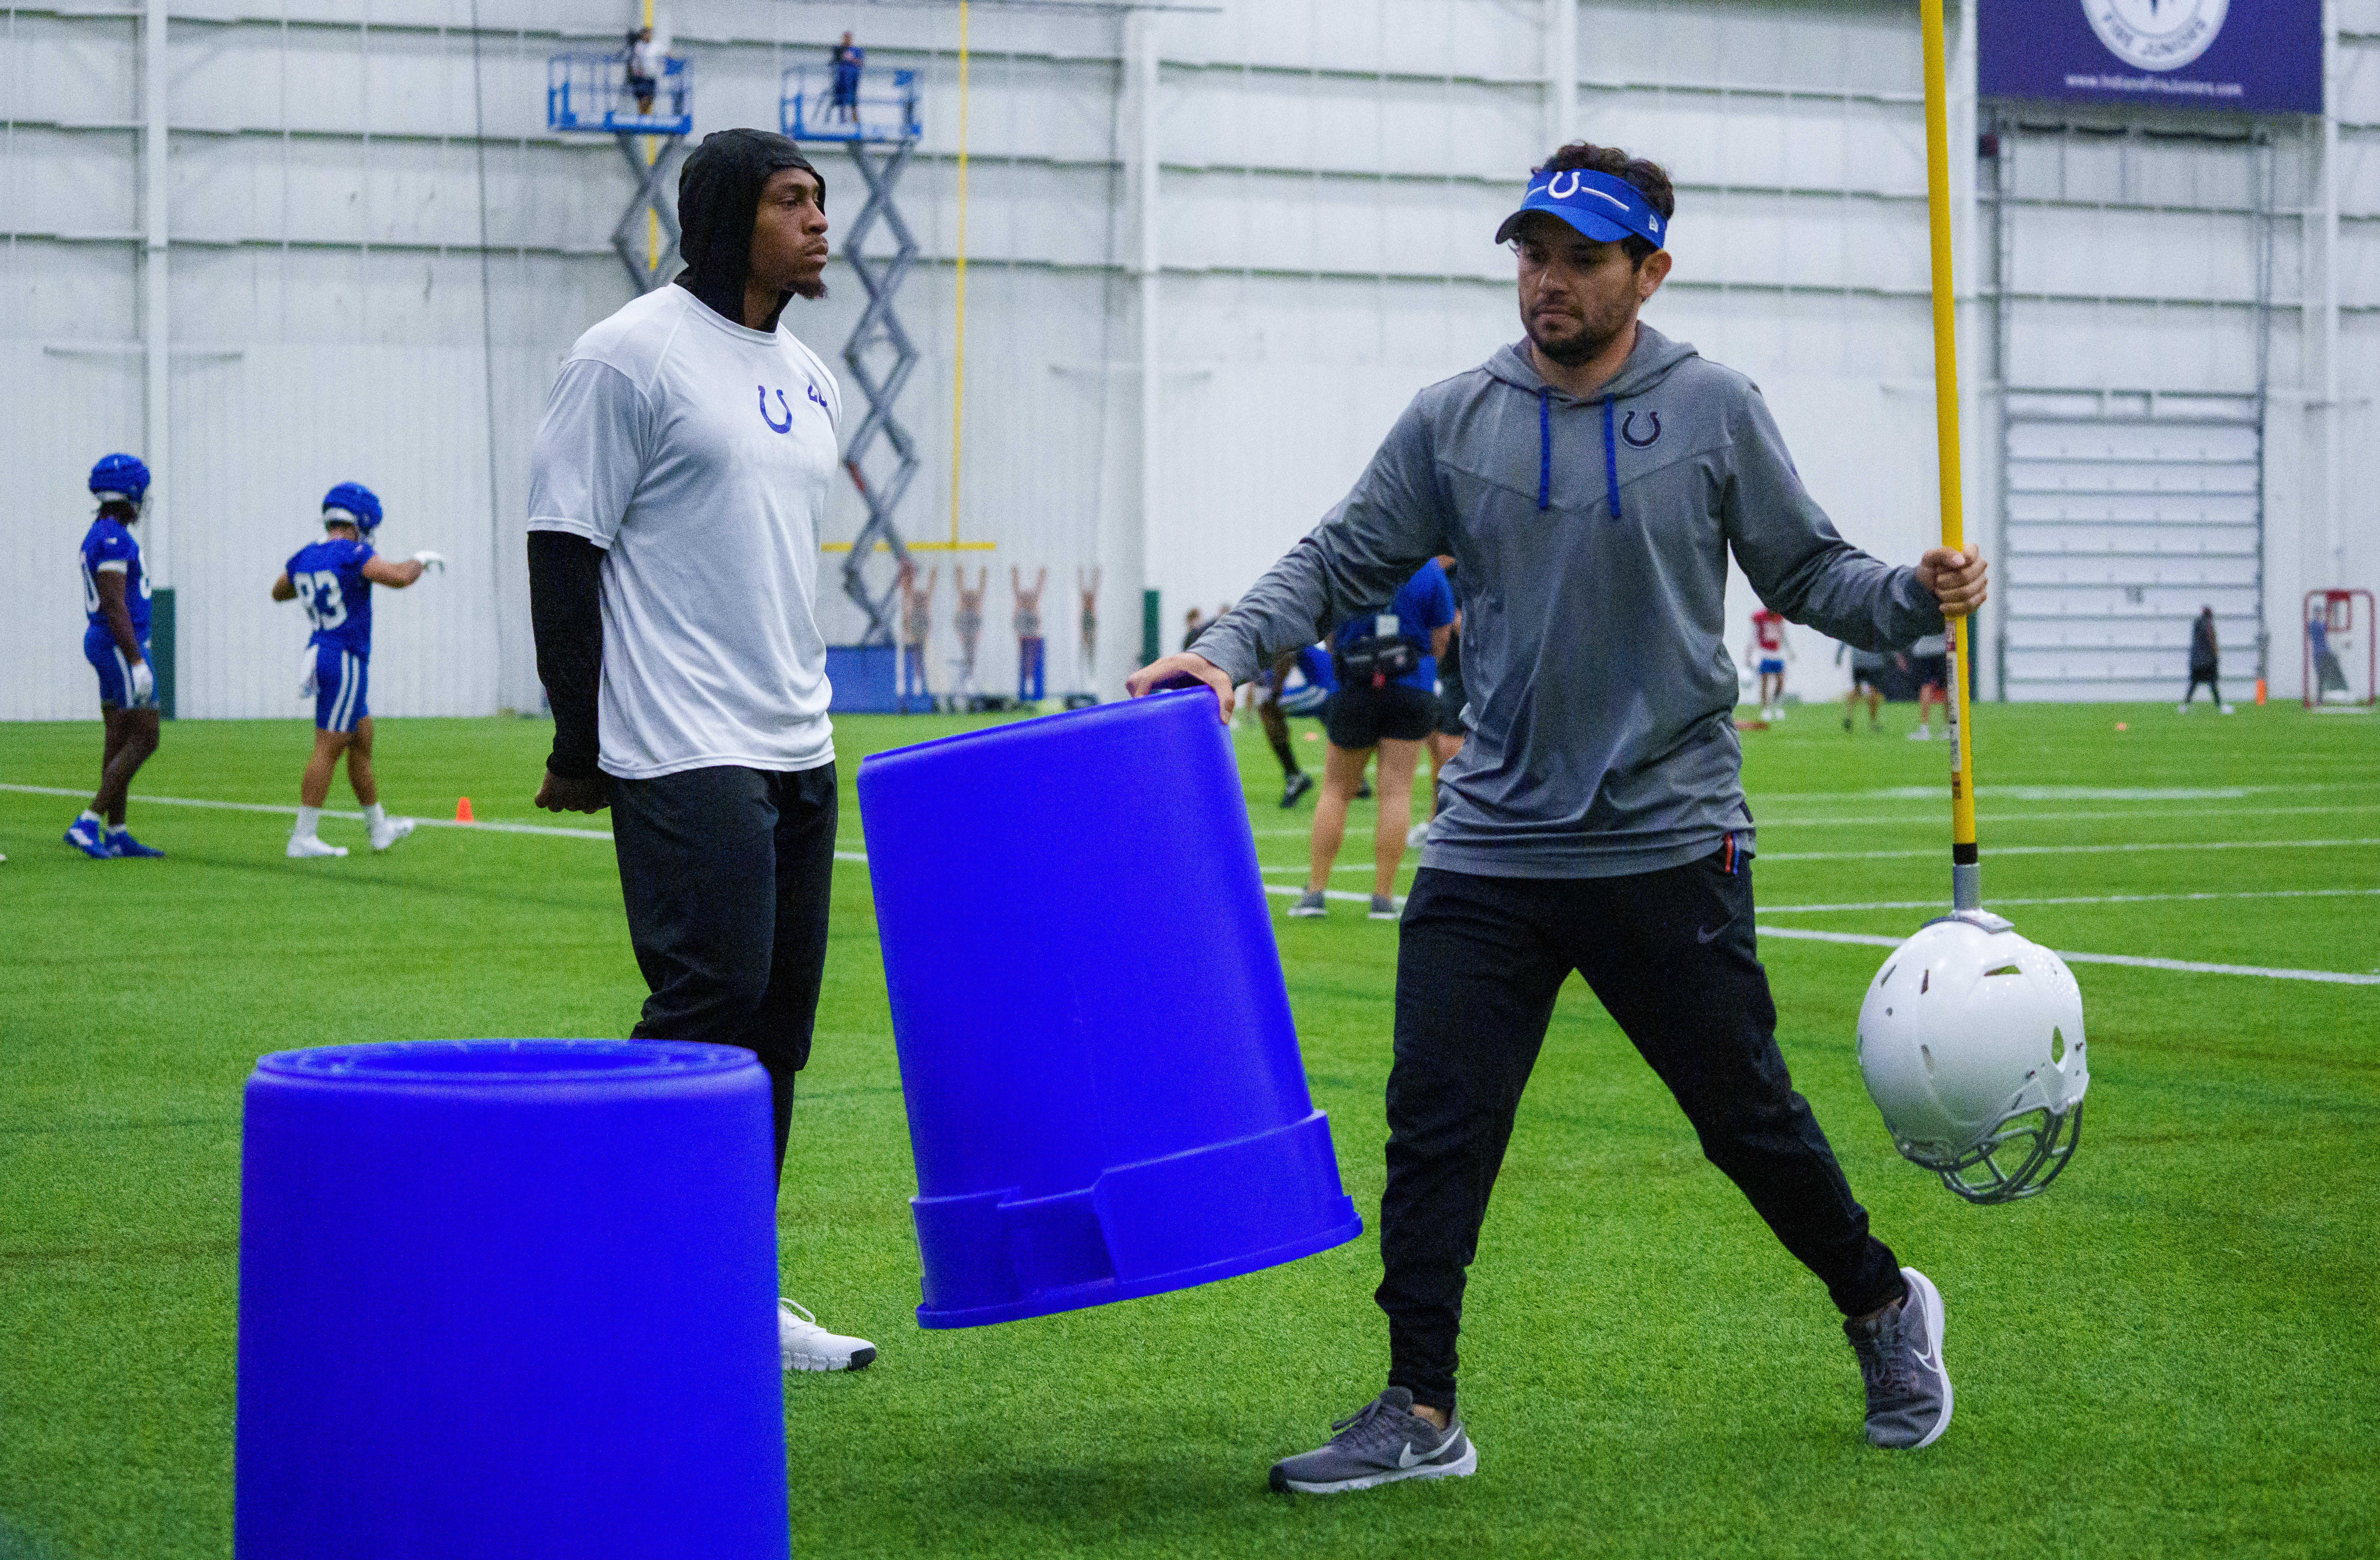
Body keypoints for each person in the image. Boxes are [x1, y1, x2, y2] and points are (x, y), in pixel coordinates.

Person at [1129, 141, 1987, 1492]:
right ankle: (1418, 1408)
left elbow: (1806, 567)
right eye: (1530, 255)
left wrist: (1910, 592)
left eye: (1581, 259)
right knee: (1435, 1126)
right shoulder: (1449, 418)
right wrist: (1226, 649)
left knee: (1743, 1115)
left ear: (1648, 270)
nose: (1547, 283)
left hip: (1664, 834)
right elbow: (1336, 556)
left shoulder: (1712, 407)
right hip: (1488, 844)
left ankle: (1880, 1305)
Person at [525, 127, 875, 1376]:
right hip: (680, 740)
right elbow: (565, 545)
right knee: (708, 1002)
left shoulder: (815, 378)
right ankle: (601, 1258)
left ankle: (726, 1285)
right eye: (793, 200)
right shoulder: (630, 356)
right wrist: (581, 737)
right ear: (730, 215)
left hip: (798, 739)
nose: (819, 220)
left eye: (823, 200)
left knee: (777, 1031)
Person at [270, 483, 444, 858]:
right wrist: (421, 559)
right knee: (328, 746)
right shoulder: (353, 552)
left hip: (323, 651)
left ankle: (378, 828)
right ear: (359, 521)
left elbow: (279, 591)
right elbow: (398, 576)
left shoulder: (306, 555)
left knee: (361, 740)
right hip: (344, 655)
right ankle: (303, 835)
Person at [1285, 559, 1454, 923]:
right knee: (1396, 793)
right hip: (1412, 686)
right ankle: (1383, 898)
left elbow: (1328, 634)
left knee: (1336, 791)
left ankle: (1315, 893)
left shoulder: (1351, 560)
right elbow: (1441, 638)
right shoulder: (1429, 571)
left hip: (1355, 685)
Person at [65, 453, 166, 860]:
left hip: (107, 641)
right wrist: (137, 659)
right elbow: (114, 603)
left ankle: (117, 830)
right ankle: (88, 822)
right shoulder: (113, 537)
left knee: (120, 734)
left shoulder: (103, 532)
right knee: (147, 734)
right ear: (129, 493)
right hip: (118, 642)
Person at [1410, 555, 1467, 848]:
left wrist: (1449, 616)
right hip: (1443, 677)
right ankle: (1437, 819)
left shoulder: (1464, 576)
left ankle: (1448, 823)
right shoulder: (1430, 576)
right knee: (1435, 745)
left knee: (1449, 750)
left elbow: (1471, 627)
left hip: (1466, 676)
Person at [1254, 645, 1333, 808]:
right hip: (1332, 685)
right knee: (1341, 726)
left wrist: (1276, 691)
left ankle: (1294, 776)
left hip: (1322, 689)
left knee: (1268, 708)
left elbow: (1289, 652)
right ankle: (1359, 780)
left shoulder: (1283, 627)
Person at [2179, 605, 2232, 714]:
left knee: (2194, 684)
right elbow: (2211, 640)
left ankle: (2185, 706)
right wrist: (2215, 655)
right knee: (2213, 684)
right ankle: (2221, 707)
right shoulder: (2208, 625)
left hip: (2196, 661)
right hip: (2207, 661)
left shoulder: (2197, 624)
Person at [899, 560, 936, 712]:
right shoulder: (910, 603)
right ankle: (910, 695)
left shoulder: (923, 605)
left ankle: (918, 690)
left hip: (919, 637)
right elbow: (908, 591)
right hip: (911, 637)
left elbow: (929, 589)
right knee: (912, 663)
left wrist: (934, 571)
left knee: (919, 663)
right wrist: (908, 573)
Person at [1744, 605, 1793, 720]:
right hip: (1764, 652)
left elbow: (1783, 635)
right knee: (1765, 682)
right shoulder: (1760, 617)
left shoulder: (1780, 617)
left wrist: (1789, 651)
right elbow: (1754, 637)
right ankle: (1766, 709)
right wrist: (1750, 655)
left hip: (1777, 652)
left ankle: (1777, 706)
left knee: (1780, 681)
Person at [1903, 631, 1949, 740]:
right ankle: (1949, 728)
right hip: (1943, 648)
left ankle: (1924, 729)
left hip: (1924, 650)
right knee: (1947, 687)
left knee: (1926, 685)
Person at [1012, 566, 1048, 704]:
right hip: (1024, 638)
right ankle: (1026, 692)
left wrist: (1042, 575)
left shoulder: (1032, 605)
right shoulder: (1021, 605)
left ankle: (1032, 692)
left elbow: (1038, 591)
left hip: (1033, 639)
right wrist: (1015, 573)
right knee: (1026, 665)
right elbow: (1017, 591)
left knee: (1032, 664)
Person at [1837, 638, 1887, 732]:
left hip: (1858, 661)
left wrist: (1839, 656)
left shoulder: (1853, 624)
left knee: (1856, 690)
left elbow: (1844, 638)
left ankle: (1849, 717)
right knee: (1874, 692)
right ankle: (1874, 723)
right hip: (1875, 662)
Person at [953, 567, 987, 701]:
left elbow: (981, 592)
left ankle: (969, 679)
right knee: (969, 657)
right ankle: (968, 679)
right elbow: (961, 590)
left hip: (971, 632)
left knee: (970, 657)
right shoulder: (965, 604)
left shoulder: (975, 604)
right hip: (967, 631)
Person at [2310, 606, 2354, 702]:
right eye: (2318, 612)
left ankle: (2338, 692)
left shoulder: (2319, 625)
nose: (2319, 614)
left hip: (2325, 651)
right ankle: (2320, 698)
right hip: (2319, 653)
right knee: (2321, 675)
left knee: (2332, 671)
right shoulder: (2314, 625)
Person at [829, 32, 863, 126]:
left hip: (853, 79)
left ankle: (855, 120)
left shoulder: (857, 51)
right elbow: (834, 61)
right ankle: (842, 121)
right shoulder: (838, 49)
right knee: (842, 100)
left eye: (849, 38)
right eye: (846, 38)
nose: (847, 40)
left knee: (853, 99)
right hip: (841, 79)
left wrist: (850, 59)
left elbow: (861, 63)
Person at [625, 27, 660, 118]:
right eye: (646, 34)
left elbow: (666, 55)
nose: (648, 36)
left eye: (650, 34)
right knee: (642, 98)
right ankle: (642, 117)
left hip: (651, 76)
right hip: (641, 77)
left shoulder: (656, 46)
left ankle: (644, 117)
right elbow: (634, 60)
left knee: (649, 99)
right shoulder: (638, 46)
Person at [1076, 565, 1100, 693]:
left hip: (1091, 631)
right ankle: (1083, 680)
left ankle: (1092, 677)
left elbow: (1095, 589)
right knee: (1083, 655)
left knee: (1091, 656)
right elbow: (1082, 589)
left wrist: (1096, 575)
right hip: (1086, 631)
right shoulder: (1085, 603)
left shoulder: (1092, 603)